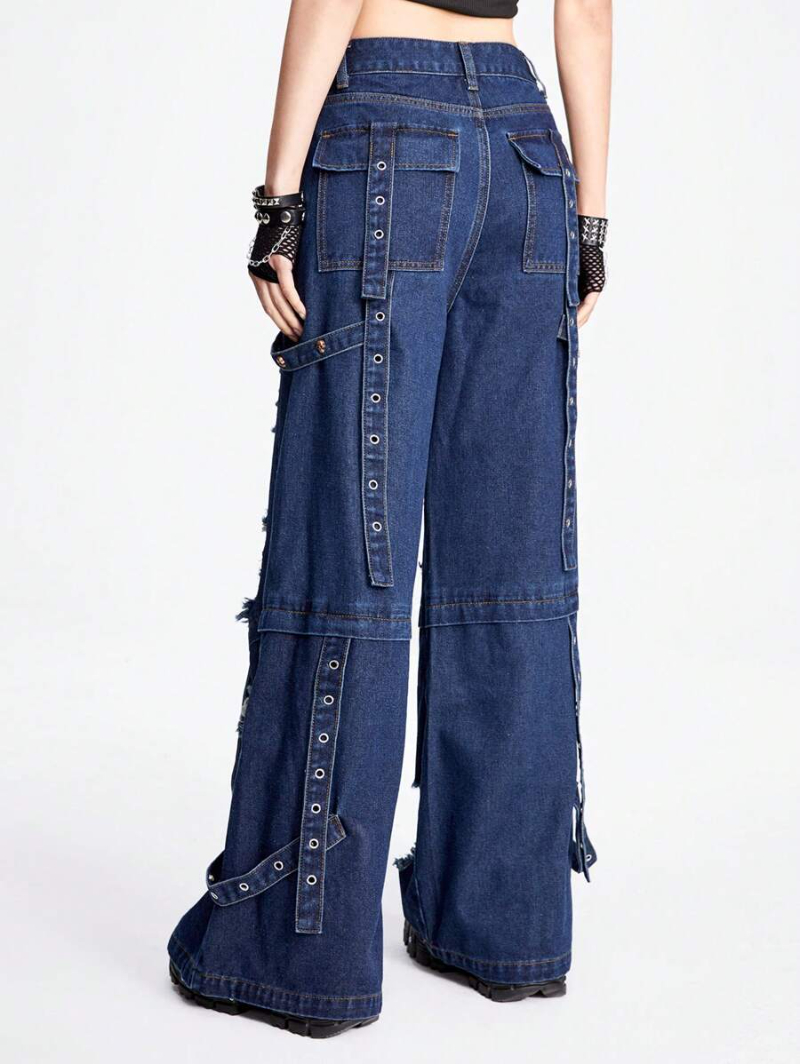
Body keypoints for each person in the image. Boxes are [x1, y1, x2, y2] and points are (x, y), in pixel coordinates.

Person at [168, 0, 612, 1039]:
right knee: (509, 563)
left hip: (385, 139)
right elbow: (586, 17)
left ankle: (299, 951)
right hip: (528, 152)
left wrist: (278, 199)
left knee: (349, 540)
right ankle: (503, 927)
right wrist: (590, 221)